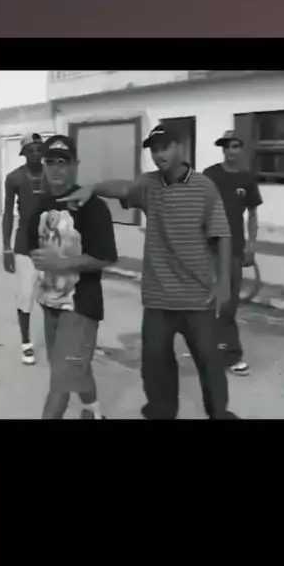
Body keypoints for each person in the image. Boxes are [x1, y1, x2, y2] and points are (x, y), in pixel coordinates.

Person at [68, 124, 237, 420]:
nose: (159, 155)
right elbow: (122, 188)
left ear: (180, 146)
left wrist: (223, 284)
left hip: (197, 295)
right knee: (156, 361)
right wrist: (92, 187)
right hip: (158, 296)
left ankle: (219, 413)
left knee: (209, 359)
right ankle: (161, 412)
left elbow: (222, 234)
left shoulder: (204, 187)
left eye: (165, 147)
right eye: (155, 150)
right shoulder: (149, 185)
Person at [27, 135, 118, 420]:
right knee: (73, 367)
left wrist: (62, 263)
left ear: (75, 165)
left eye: (63, 162)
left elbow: (106, 257)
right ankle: (94, 410)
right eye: (50, 162)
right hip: (49, 302)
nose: (56, 168)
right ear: (43, 165)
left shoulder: (92, 206)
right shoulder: (41, 204)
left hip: (80, 306)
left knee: (61, 382)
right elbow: (32, 245)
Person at [203, 130, 263, 375]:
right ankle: (230, 354)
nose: (230, 151)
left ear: (241, 149)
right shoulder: (210, 175)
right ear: (223, 150)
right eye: (226, 146)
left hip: (235, 248)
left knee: (230, 303)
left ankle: (214, 346)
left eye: (235, 146)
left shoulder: (247, 179)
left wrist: (251, 245)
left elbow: (253, 214)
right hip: (211, 247)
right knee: (219, 301)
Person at [2, 133, 48, 365]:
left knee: (55, 295)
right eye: (31, 150)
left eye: (39, 149)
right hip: (24, 246)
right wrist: (6, 248)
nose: (36, 154)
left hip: (50, 244)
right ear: (23, 153)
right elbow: (8, 214)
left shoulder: (52, 174)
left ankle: (58, 340)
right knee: (26, 295)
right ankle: (26, 343)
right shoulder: (14, 178)